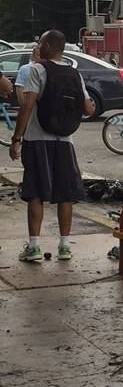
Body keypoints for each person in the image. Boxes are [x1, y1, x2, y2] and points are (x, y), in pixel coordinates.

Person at [8, 30, 95, 262]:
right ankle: (65, 247)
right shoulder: (74, 73)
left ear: (47, 45)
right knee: (65, 194)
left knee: (35, 193)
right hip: (65, 142)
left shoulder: (37, 70)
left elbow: (27, 106)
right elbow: (88, 109)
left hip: (37, 140)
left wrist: (16, 139)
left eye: (41, 43)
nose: (38, 46)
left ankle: (34, 247)